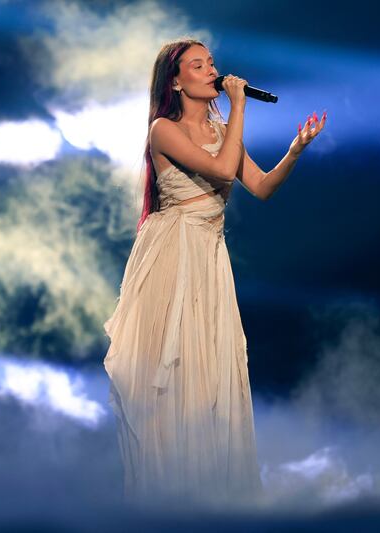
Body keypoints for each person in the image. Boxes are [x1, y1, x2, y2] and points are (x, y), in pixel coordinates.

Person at [102, 38, 326, 509]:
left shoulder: (222, 128)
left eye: (212, 63)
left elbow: (260, 187)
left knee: (211, 373)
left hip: (209, 257)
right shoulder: (164, 130)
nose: (212, 71)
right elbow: (224, 170)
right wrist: (240, 104)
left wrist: (294, 151)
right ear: (176, 82)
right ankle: (166, 498)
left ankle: (209, 497)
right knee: (174, 374)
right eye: (198, 65)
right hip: (173, 256)